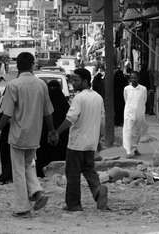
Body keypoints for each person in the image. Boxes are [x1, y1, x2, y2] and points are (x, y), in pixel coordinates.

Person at [0, 52, 55, 218]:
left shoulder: (14, 85)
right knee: (27, 165)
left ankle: (22, 207)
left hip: (18, 135)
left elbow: (7, 114)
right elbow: (48, 112)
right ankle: (37, 194)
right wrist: (52, 130)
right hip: (35, 135)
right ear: (33, 64)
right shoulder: (41, 85)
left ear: (17, 66)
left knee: (18, 171)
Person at [53, 68, 108, 212]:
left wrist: (57, 132)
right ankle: (97, 190)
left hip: (77, 143)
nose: (72, 83)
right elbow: (102, 121)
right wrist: (99, 139)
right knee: (89, 169)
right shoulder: (98, 97)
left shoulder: (79, 98)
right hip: (91, 143)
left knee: (73, 173)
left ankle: (74, 204)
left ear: (85, 81)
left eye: (76, 80)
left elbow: (71, 118)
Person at [35, 80, 70, 177]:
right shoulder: (64, 105)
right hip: (62, 137)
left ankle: (41, 173)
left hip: (45, 137)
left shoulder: (44, 105)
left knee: (44, 154)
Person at [123, 71, 149, 158]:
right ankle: (128, 151)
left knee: (137, 132)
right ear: (129, 79)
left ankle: (134, 148)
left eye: (135, 78)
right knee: (128, 132)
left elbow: (144, 101)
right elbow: (126, 100)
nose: (133, 80)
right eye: (132, 78)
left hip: (139, 113)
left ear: (138, 78)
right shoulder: (127, 89)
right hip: (129, 114)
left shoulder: (143, 89)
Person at [0, 89, 12, 184]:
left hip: (8, 134)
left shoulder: (6, 103)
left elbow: (1, 118)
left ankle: (7, 175)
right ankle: (7, 175)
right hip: (10, 134)